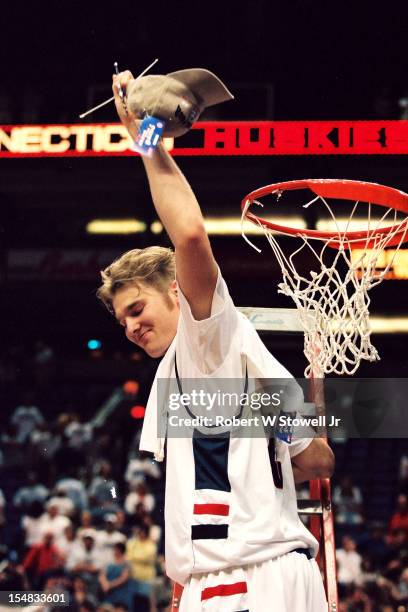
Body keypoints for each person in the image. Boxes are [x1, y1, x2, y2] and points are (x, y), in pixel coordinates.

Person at [96, 69, 335, 611]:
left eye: (138, 308)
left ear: (177, 293)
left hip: (244, 581)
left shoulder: (207, 340)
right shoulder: (237, 356)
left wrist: (147, 141)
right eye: (122, 321)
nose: (131, 326)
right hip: (267, 576)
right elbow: (318, 462)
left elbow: (189, 233)